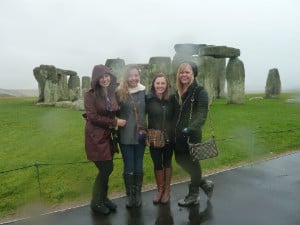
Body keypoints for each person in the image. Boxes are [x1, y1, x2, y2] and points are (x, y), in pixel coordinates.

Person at [84, 65, 127, 214]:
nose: (105, 79)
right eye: (101, 77)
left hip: (108, 136)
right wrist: (115, 122)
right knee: (105, 169)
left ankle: (103, 198)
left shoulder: (111, 92)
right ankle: (96, 202)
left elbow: (116, 108)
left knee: (107, 169)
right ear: (96, 79)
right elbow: (93, 117)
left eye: (107, 75)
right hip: (95, 136)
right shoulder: (90, 95)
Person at [170, 61, 214, 207]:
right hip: (177, 136)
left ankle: (193, 196)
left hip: (191, 135)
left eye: (187, 72)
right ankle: (204, 184)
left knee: (193, 165)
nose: (184, 75)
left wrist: (190, 128)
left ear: (193, 74)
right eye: (181, 72)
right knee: (180, 160)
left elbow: (202, 115)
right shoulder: (177, 92)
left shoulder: (200, 91)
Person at [116, 65, 146, 208]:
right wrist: (114, 121)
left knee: (139, 164)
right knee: (129, 165)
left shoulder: (144, 91)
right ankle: (130, 195)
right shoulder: (119, 92)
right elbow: (110, 111)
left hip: (141, 134)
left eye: (136, 75)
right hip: (126, 134)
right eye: (130, 75)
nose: (134, 78)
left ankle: (138, 194)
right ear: (126, 77)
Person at [146, 73, 173, 204]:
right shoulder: (148, 98)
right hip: (154, 136)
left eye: (163, 83)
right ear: (153, 84)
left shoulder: (172, 98)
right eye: (158, 83)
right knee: (157, 163)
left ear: (166, 85)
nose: (160, 86)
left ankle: (167, 190)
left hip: (169, 136)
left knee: (167, 162)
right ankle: (160, 190)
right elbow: (139, 114)